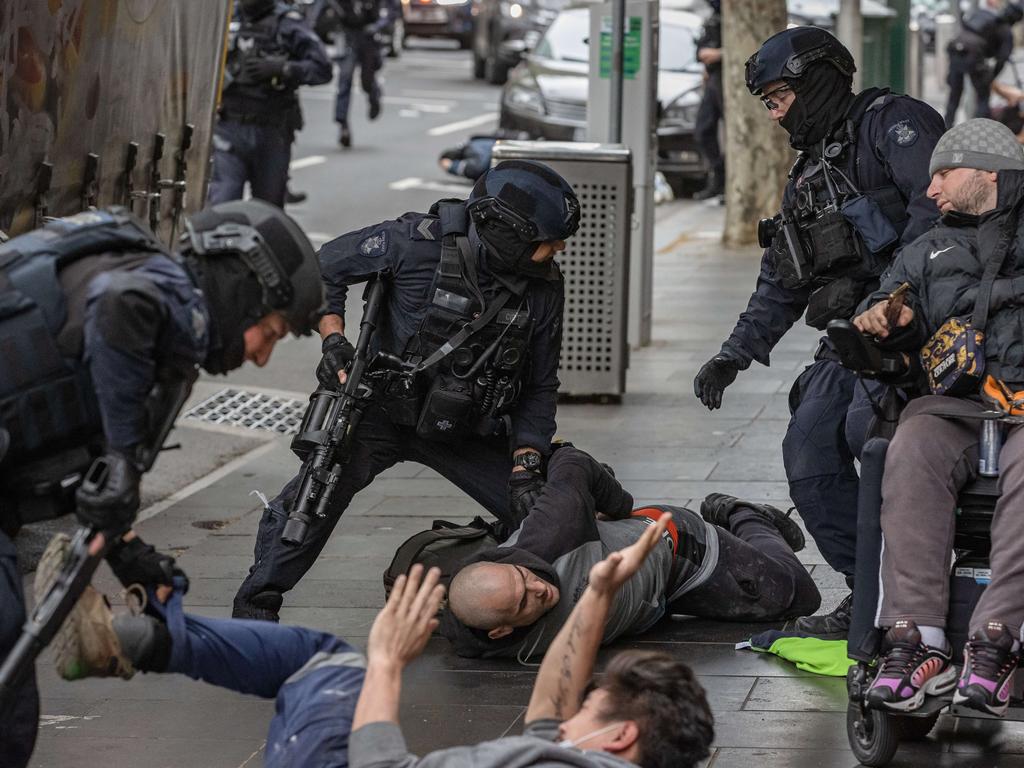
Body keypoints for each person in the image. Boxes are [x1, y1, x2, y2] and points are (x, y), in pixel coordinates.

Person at [0, 200, 324, 768]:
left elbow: (90, 468)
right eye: (267, 332)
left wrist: (130, 556)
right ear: (242, 287)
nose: (260, 356)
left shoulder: (160, 337)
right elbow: (120, 305)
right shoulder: (167, 291)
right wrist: (125, 458)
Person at [43, 515, 714, 767]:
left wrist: (389, 666)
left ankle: (135, 639)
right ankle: (135, 639)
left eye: (596, 704)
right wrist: (595, 595)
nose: (578, 707)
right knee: (320, 664)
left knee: (329, 663)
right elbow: (549, 711)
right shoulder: (575, 758)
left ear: (621, 736)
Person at [232, 160, 580, 621]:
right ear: (505, 231)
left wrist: (525, 464)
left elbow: (539, 385)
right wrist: (334, 340)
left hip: (467, 426)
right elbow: (323, 269)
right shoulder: (412, 243)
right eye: (545, 241)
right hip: (380, 410)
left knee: (549, 512)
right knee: (310, 503)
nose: (554, 250)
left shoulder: (543, 288)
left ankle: (474, 572)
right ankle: (255, 610)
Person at [692, 26, 945, 638]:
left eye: (780, 99)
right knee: (807, 448)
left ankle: (917, 591)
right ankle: (870, 591)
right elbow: (784, 274)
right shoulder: (809, 174)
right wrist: (734, 353)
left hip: (926, 327)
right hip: (854, 339)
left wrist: (891, 297)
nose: (777, 117)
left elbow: (939, 215)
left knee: (870, 433)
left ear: (815, 80)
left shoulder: (895, 124)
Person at [850, 119, 1024, 717]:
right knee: (912, 442)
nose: (931, 191)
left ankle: (997, 639)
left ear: (987, 174)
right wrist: (882, 318)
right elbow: (887, 297)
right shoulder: (927, 249)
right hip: (958, 405)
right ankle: (914, 639)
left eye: (943, 174)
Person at [439, 446, 820, 659]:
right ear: (500, 630)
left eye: (525, 577)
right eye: (524, 602)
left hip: (674, 551)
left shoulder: (554, 532)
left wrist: (619, 507)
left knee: (797, 596)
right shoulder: (471, 635)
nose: (539, 588)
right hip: (644, 607)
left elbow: (570, 460)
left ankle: (742, 514)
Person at [209, 0, 331, 207]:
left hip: (271, 131)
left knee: (268, 210)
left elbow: (322, 69)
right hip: (229, 127)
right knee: (223, 204)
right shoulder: (225, 17)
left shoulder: (288, 23)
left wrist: (282, 68)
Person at [317, 0, 390, 148]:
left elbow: (390, 11)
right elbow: (321, 10)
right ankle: (343, 125)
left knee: (367, 80)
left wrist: (377, 26)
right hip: (347, 34)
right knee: (344, 80)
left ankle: (374, 95)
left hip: (368, 36)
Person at [944, 1, 1023, 128]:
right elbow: (1002, 59)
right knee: (983, 96)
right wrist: (991, 78)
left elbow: (965, 24)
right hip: (973, 55)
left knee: (954, 95)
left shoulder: (984, 14)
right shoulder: (1006, 30)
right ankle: (979, 130)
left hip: (956, 49)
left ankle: (945, 128)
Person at [693, 0, 724, 202]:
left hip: (731, 79)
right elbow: (701, 48)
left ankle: (726, 185)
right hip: (713, 78)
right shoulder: (713, 17)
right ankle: (719, 177)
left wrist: (720, 54)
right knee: (703, 131)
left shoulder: (733, 15)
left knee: (733, 137)